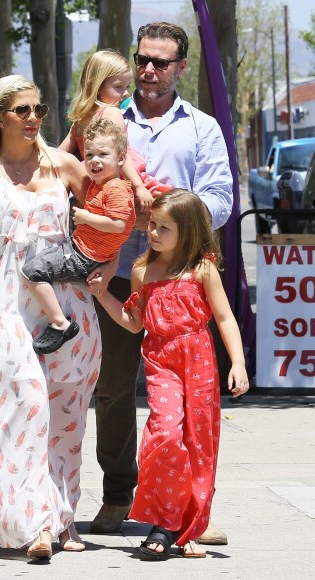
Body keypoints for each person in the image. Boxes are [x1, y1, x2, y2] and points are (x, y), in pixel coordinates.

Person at [0, 74, 100, 560]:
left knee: (66, 421)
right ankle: (33, 525)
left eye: (39, 110)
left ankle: (61, 518)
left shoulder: (66, 167)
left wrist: (106, 271)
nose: (33, 119)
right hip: (8, 307)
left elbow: (113, 222)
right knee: (18, 412)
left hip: (68, 308)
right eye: (23, 110)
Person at [90, 21, 234, 546]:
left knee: (193, 406)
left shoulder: (202, 128)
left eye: (161, 63)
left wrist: (176, 208)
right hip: (122, 273)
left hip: (180, 282)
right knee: (111, 390)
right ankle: (118, 493)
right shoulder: (105, 120)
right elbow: (77, 177)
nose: (149, 71)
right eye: (142, 60)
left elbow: (221, 198)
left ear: (181, 67)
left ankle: (193, 508)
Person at [93, 189, 249, 559]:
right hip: (162, 360)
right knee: (165, 432)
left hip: (199, 361)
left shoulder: (203, 270)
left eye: (165, 227)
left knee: (199, 442)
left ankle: (186, 527)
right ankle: (163, 518)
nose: (154, 233)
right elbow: (133, 323)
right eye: (153, 225)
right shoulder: (143, 271)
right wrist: (102, 295)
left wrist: (238, 363)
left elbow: (225, 318)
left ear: (189, 230)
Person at [23, 118, 135, 354]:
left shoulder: (116, 188)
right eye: (89, 154)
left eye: (103, 154)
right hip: (83, 250)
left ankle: (60, 323)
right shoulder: (100, 184)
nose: (94, 160)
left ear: (121, 158)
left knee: (33, 271)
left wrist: (86, 218)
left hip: (84, 256)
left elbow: (119, 224)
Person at [59, 49, 158, 209]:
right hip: (123, 180)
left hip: (96, 184)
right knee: (165, 199)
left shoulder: (80, 118)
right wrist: (139, 187)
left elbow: (61, 154)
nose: (125, 93)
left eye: (127, 86)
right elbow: (122, 155)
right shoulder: (112, 112)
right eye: (118, 87)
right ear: (96, 86)